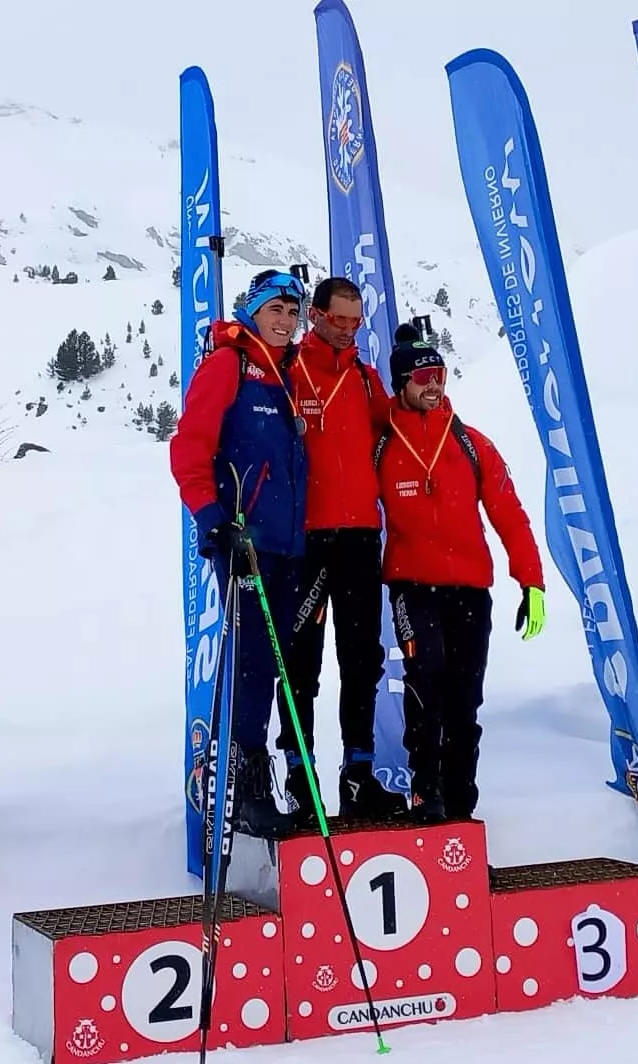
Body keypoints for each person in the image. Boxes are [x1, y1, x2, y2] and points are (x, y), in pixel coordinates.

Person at [373, 324, 546, 823]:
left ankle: (460, 814)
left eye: (440, 375)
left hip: (471, 590)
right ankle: (426, 798)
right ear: (402, 383)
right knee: (424, 685)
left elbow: (509, 515)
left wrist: (530, 582)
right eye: (423, 376)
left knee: (464, 703)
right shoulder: (382, 445)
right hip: (411, 586)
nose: (434, 385)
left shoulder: (473, 445)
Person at [169, 269, 309, 839]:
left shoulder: (285, 374)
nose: (285, 320)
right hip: (245, 541)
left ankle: (252, 779)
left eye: (293, 312)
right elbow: (189, 449)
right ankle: (244, 787)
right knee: (251, 663)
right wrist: (214, 522)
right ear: (252, 309)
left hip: (287, 545)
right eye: (275, 308)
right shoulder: (229, 364)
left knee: (272, 665)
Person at [276, 277, 405, 826]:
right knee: (300, 666)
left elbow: (398, 435)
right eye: (339, 320)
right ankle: (300, 783)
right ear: (316, 315)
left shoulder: (364, 378)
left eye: (357, 322)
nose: (348, 330)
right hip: (306, 540)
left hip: (357, 539)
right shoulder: (286, 371)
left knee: (362, 661)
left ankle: (358, 775)